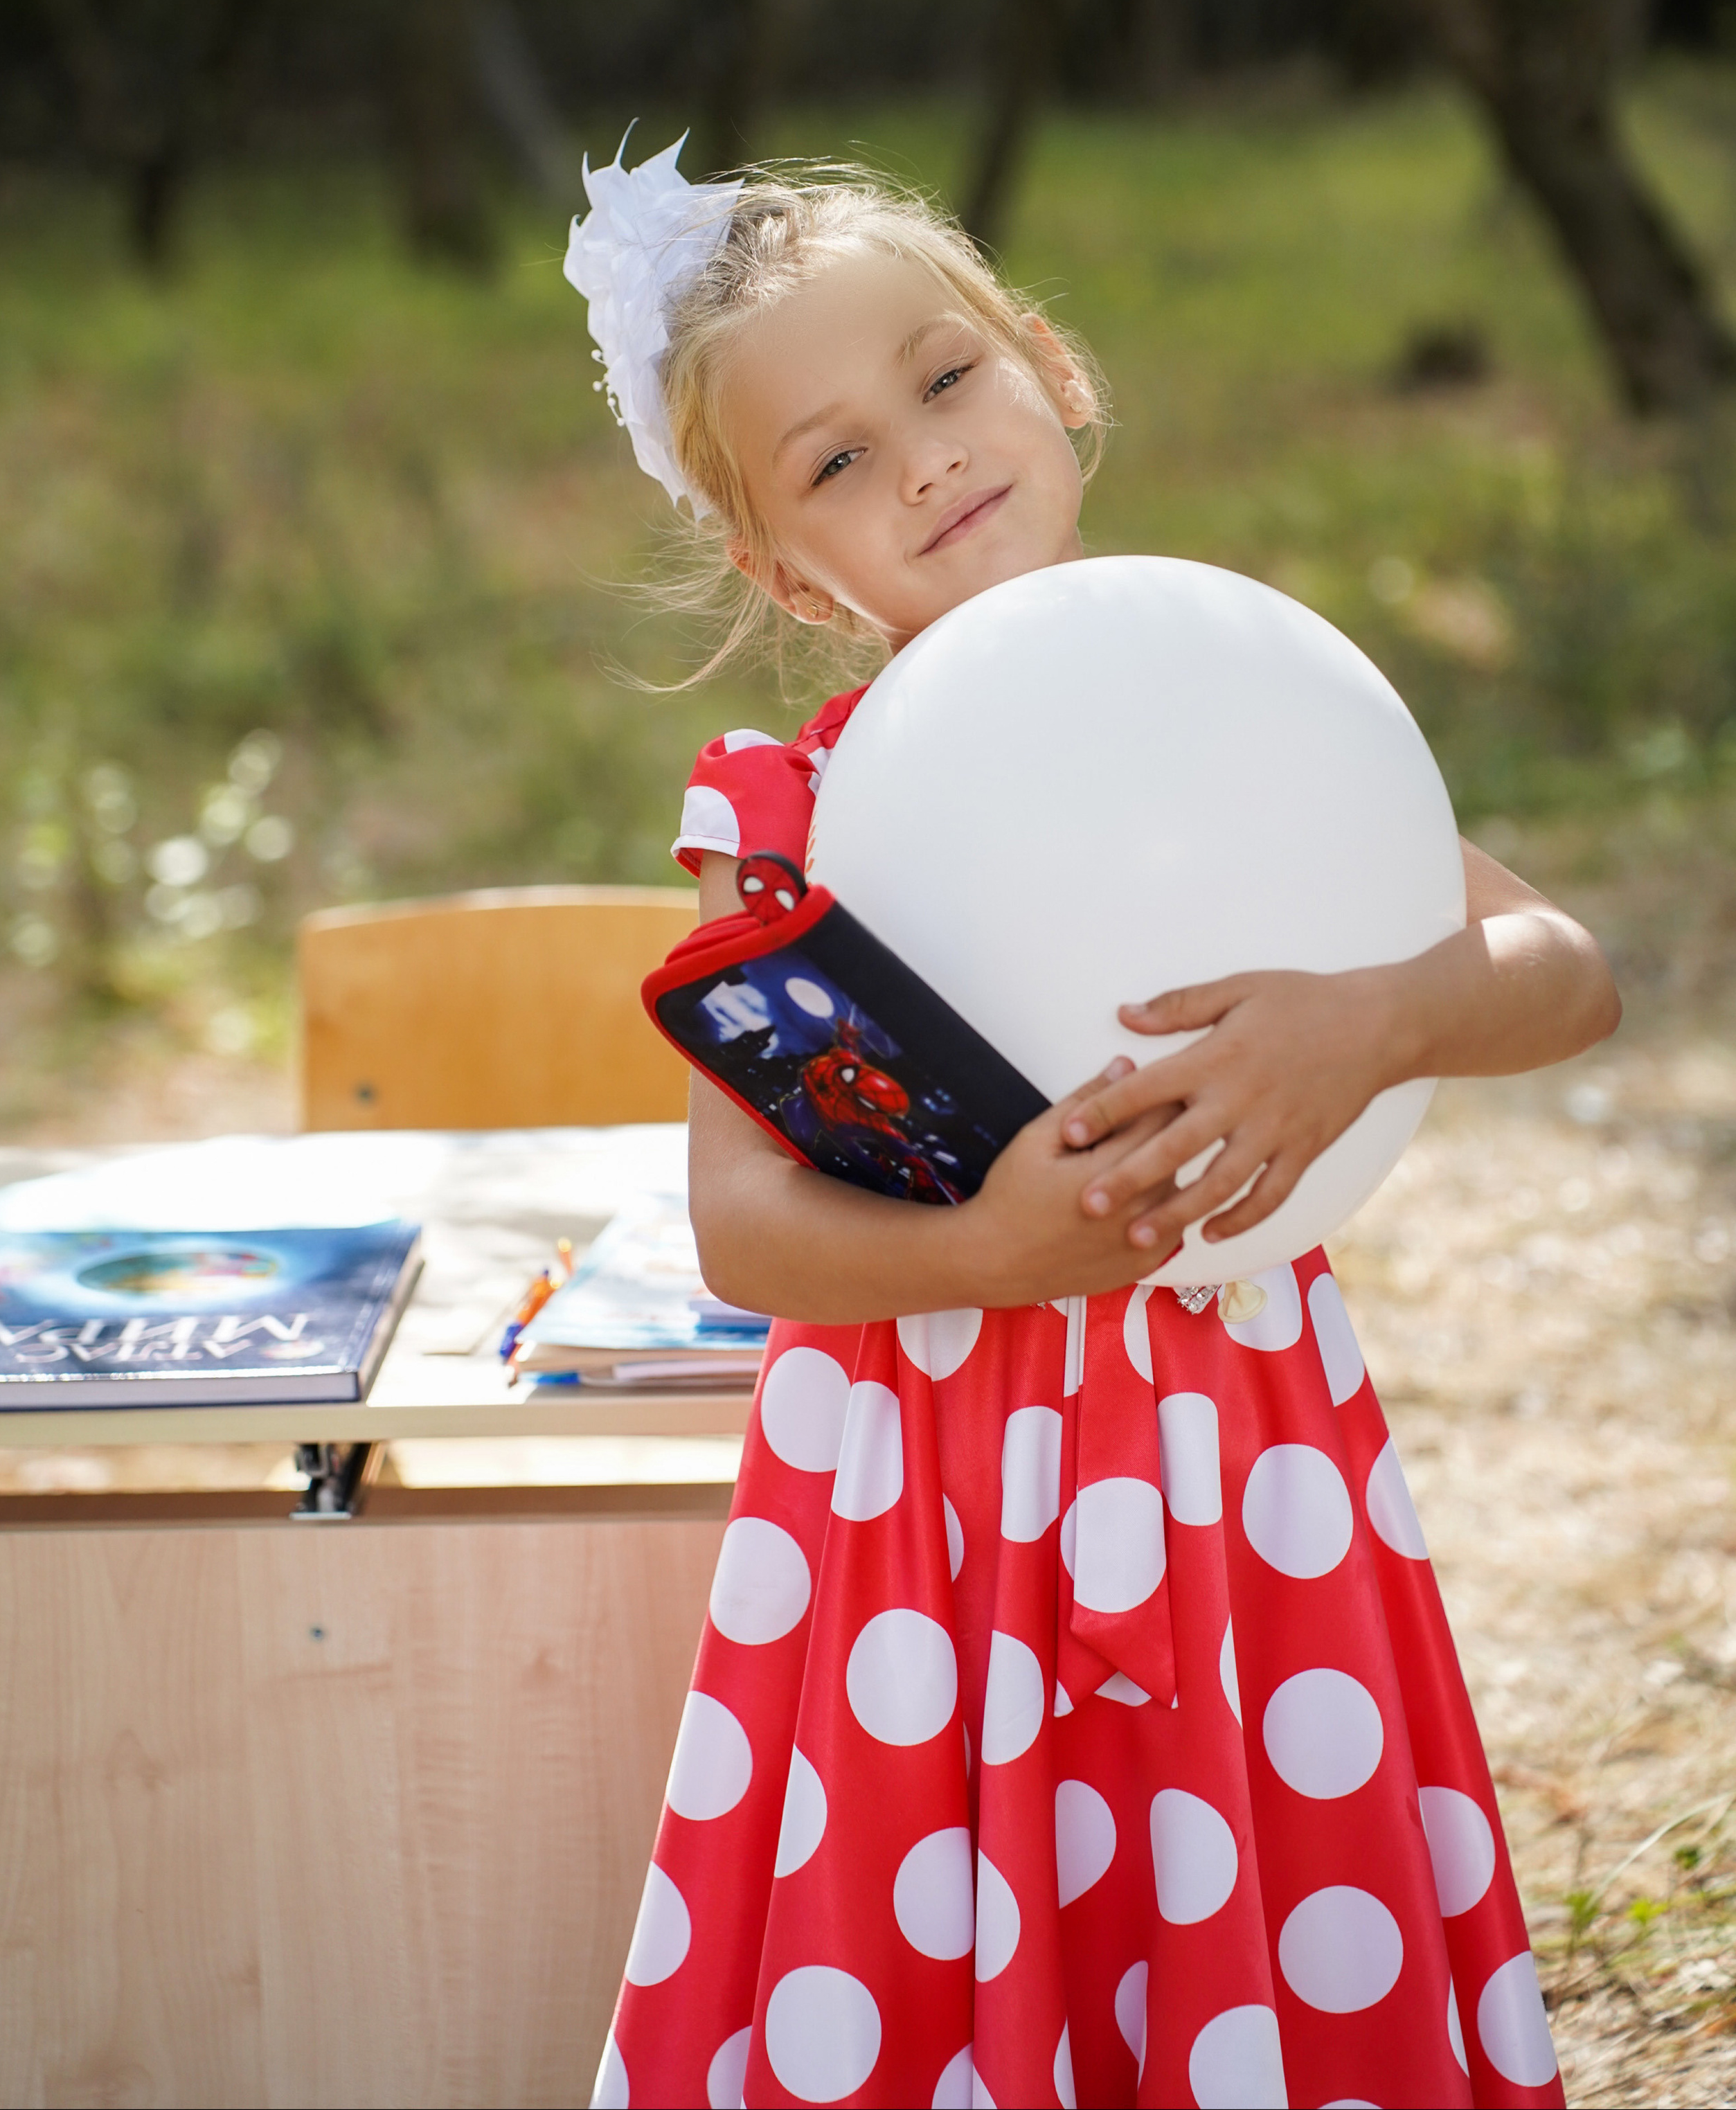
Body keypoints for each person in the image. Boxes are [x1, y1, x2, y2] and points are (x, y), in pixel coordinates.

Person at [567, 138, 1618, 2110]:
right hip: (930, 1490)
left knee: (1245, 1861)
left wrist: (1381, 1017)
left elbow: (1565, 971)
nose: (925, 464)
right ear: (787, 573)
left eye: (945, 379)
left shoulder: (1232, 701)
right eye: (838, 462)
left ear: (1048, 370)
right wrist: (987, 1252)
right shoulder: (788, 816)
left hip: (1234, 1453)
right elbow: (739, 1222)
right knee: (954, 1893)